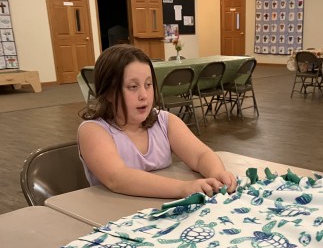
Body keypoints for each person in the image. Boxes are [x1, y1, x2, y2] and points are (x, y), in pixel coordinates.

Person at [78, 45, 237, 199]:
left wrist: (217, 173)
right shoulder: (93, 131)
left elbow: (200, 155)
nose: (144, 95)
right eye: (133, 86)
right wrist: (183, 188)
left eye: (148, 85)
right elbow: (117, 178)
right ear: (109, 93)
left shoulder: (165, 121)